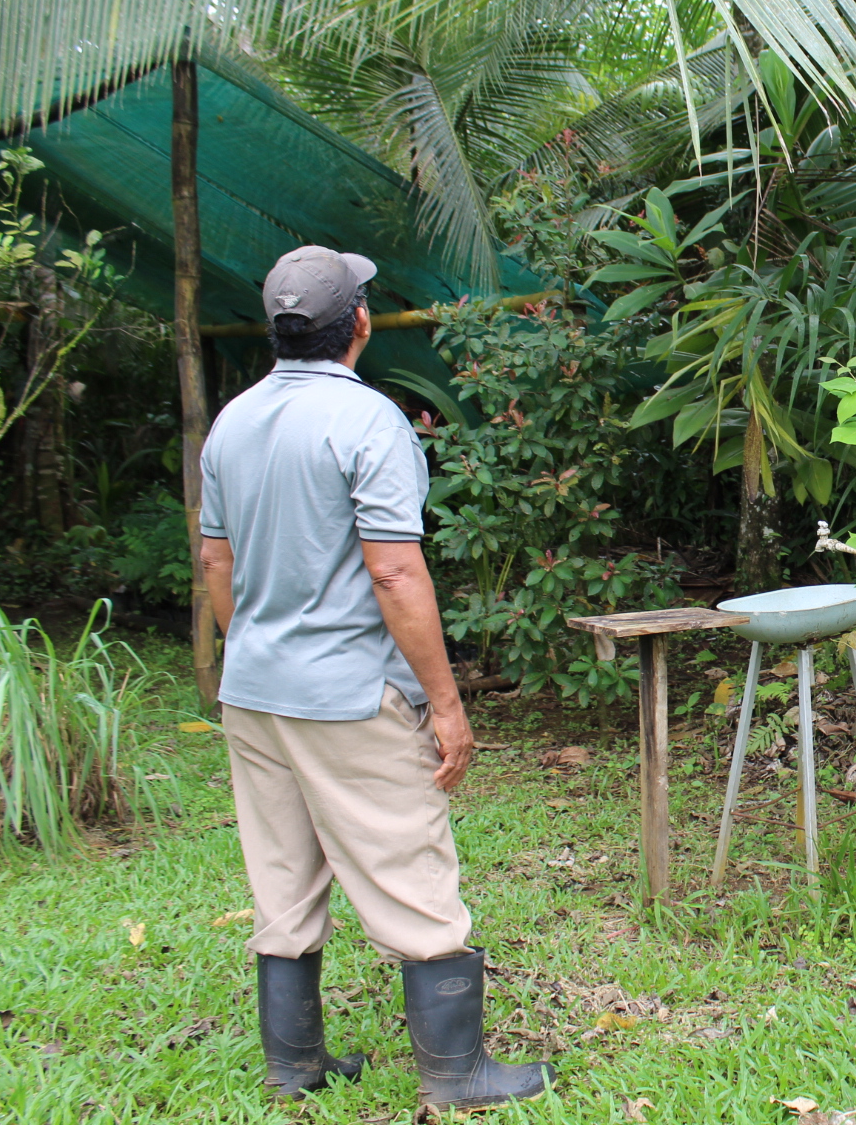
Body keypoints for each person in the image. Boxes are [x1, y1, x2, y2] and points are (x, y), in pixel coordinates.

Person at [198, 246, 554, 1113]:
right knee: (412, 871)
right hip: (350, 696)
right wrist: (445, 701)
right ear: (358, 324)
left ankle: (295, 1066)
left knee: (282, 877)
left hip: (253, 691)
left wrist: (256, 650)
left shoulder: (232, 422)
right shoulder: (369, 423)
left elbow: (216, 559)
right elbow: (395, 575)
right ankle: (457, 1075)